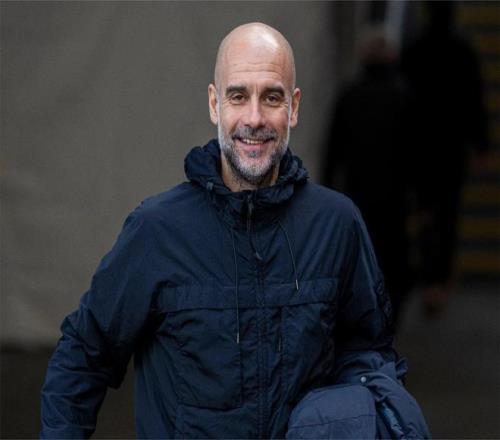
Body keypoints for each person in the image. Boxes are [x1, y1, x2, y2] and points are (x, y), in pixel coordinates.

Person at [41, 22, 429, 439]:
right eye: (238, 96)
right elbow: (84, 354)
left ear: (294, 107)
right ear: (215, 104)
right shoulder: (157, 231)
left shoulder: (336, 225)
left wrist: (344, 420)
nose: (254, 118)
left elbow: (368, 351)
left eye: (272, 97)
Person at [322, 28, 415, 326]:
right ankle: (390, 314)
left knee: (360, 255)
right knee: (393, 257)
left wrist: (326, 191)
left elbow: (332, 150)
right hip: (394, 195)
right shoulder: (403, 97)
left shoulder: (350, 96)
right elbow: (417, 151)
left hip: (357, 192)